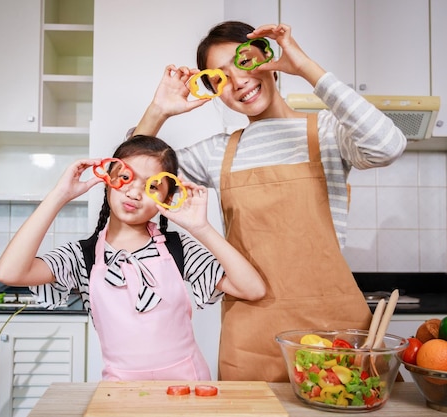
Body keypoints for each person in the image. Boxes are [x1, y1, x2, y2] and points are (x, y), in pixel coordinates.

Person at [131, 21, 407, 382]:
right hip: (252, 334)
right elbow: (133, 180)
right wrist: (159, 110)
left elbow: (388, 146)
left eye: (244, 61)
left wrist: (305, 66)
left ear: (269, 57)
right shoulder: (219, 152)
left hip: (333, 328)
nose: (238, 81)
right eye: (221, 77)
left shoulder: (326, 132)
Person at [0, 135, 265, 381]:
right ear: (107, 180)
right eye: (125, 178)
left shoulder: (177, 248)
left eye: (151, 187)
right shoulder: (82, 256)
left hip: (188, 388)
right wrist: (58, 196)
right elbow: (10, 273)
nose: (135, 193)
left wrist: (201, 228)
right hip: (120, 392)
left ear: (168, 197)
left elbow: (252, 288)